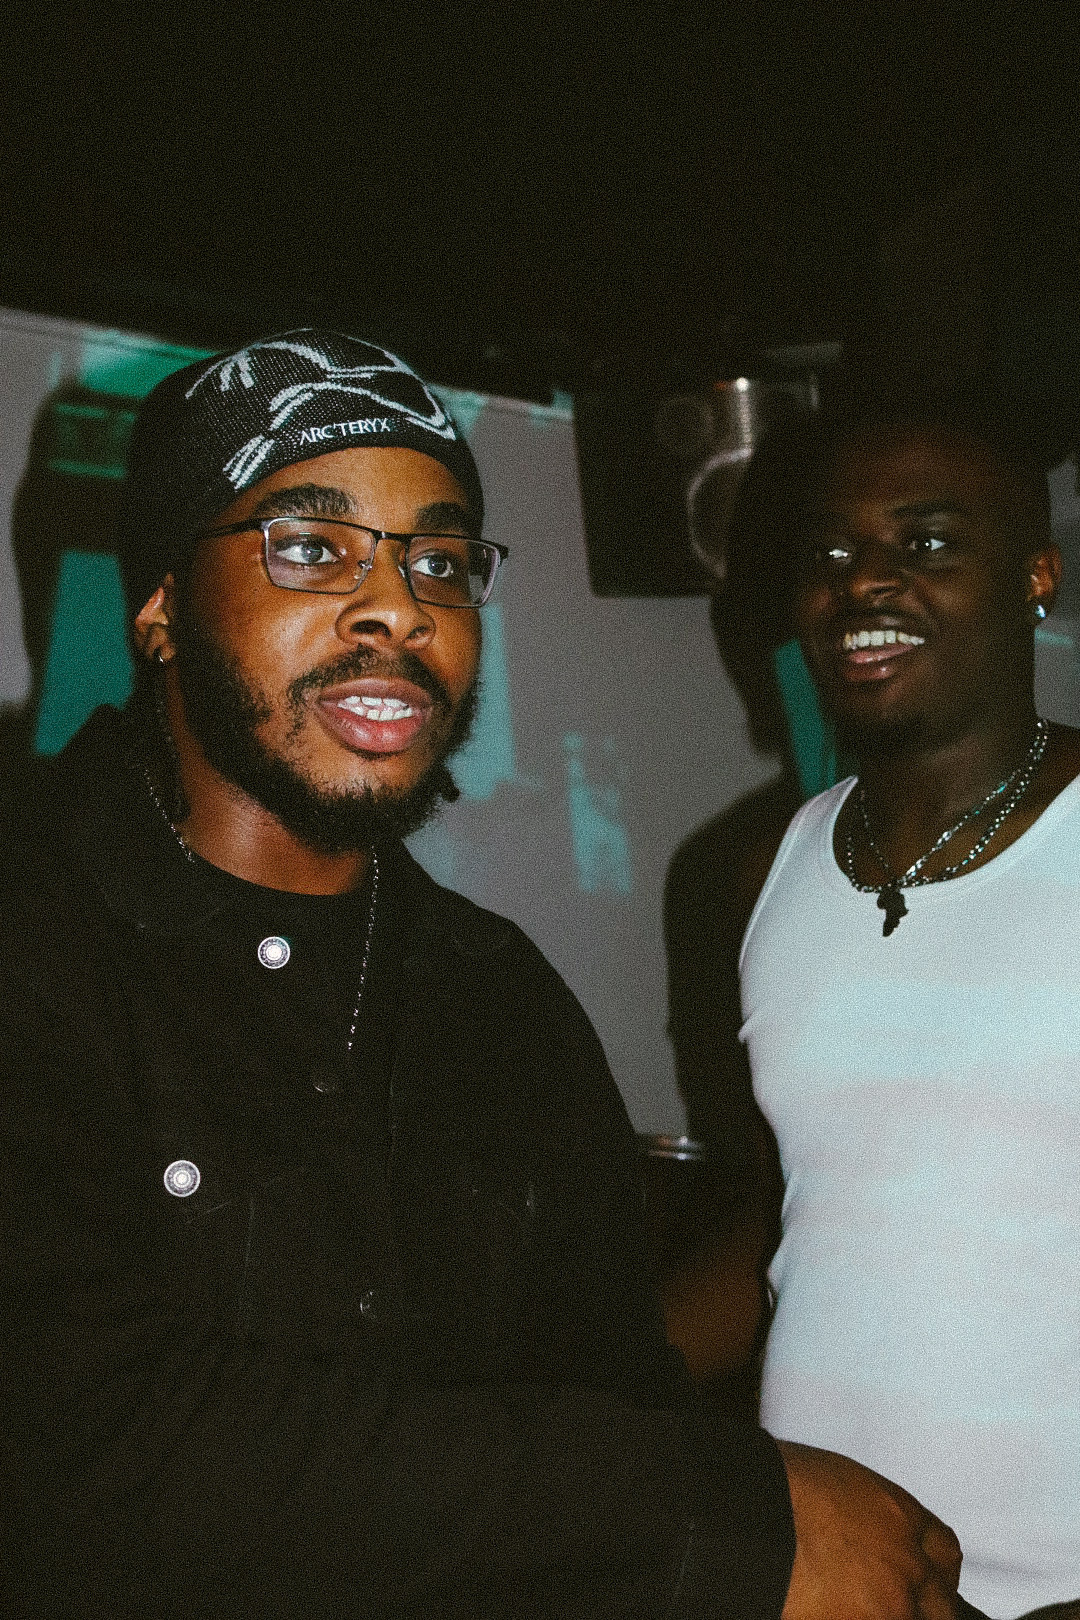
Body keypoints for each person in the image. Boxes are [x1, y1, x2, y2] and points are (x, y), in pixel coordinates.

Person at [0, 330, 962, 1619]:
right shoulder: (37, 927)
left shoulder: (501, 1003)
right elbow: (78, 1443)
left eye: (441, 562)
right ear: (161, 603)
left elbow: (604, 1397)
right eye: (312, 546)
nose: (400, 608)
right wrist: (715, 1520)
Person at [739, 392, 1080, 1616]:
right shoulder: (771, 862)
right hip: (815, 1578)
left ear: (1034, 576)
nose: (864, 583)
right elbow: (798, 1214)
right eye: (830, 552)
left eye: (927, 541)